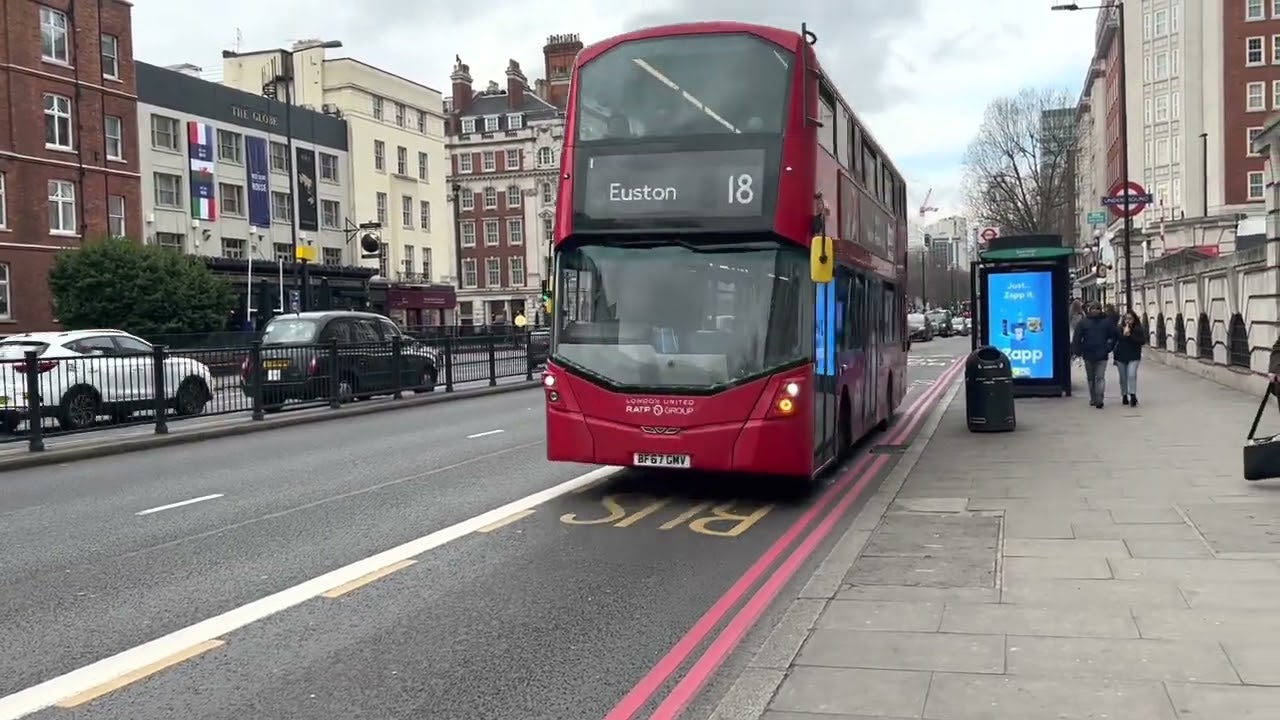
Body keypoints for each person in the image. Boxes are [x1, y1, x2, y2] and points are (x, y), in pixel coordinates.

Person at [1072, 301, 1119, 408]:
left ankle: (1098, 399)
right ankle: (1094, 398)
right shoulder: (1084, 322)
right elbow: (1077, 338)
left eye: (1097, 308)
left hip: (1099, 354)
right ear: (1090, 310)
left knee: (1099, 377)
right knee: (1092, 378)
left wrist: (1109, 347)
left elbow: (1114, 336)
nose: (1095, 311)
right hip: (1090, 354)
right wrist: (1078, 350)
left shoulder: (1105, 322)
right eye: (1093, 308)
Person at [1114, 310, 1147, 406]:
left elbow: (1142, 341)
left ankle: (1132, 395)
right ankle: (1124, 395)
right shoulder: (1119, 329)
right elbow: (1116, 340)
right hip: (1121, 356)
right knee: (1123, 377)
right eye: (1126, 319)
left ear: (1134, 320)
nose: (1128, 321)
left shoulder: (1138, 329)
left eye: (1130, 319)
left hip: (1134, 356)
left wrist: (1130, 335)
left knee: (1131, 375)